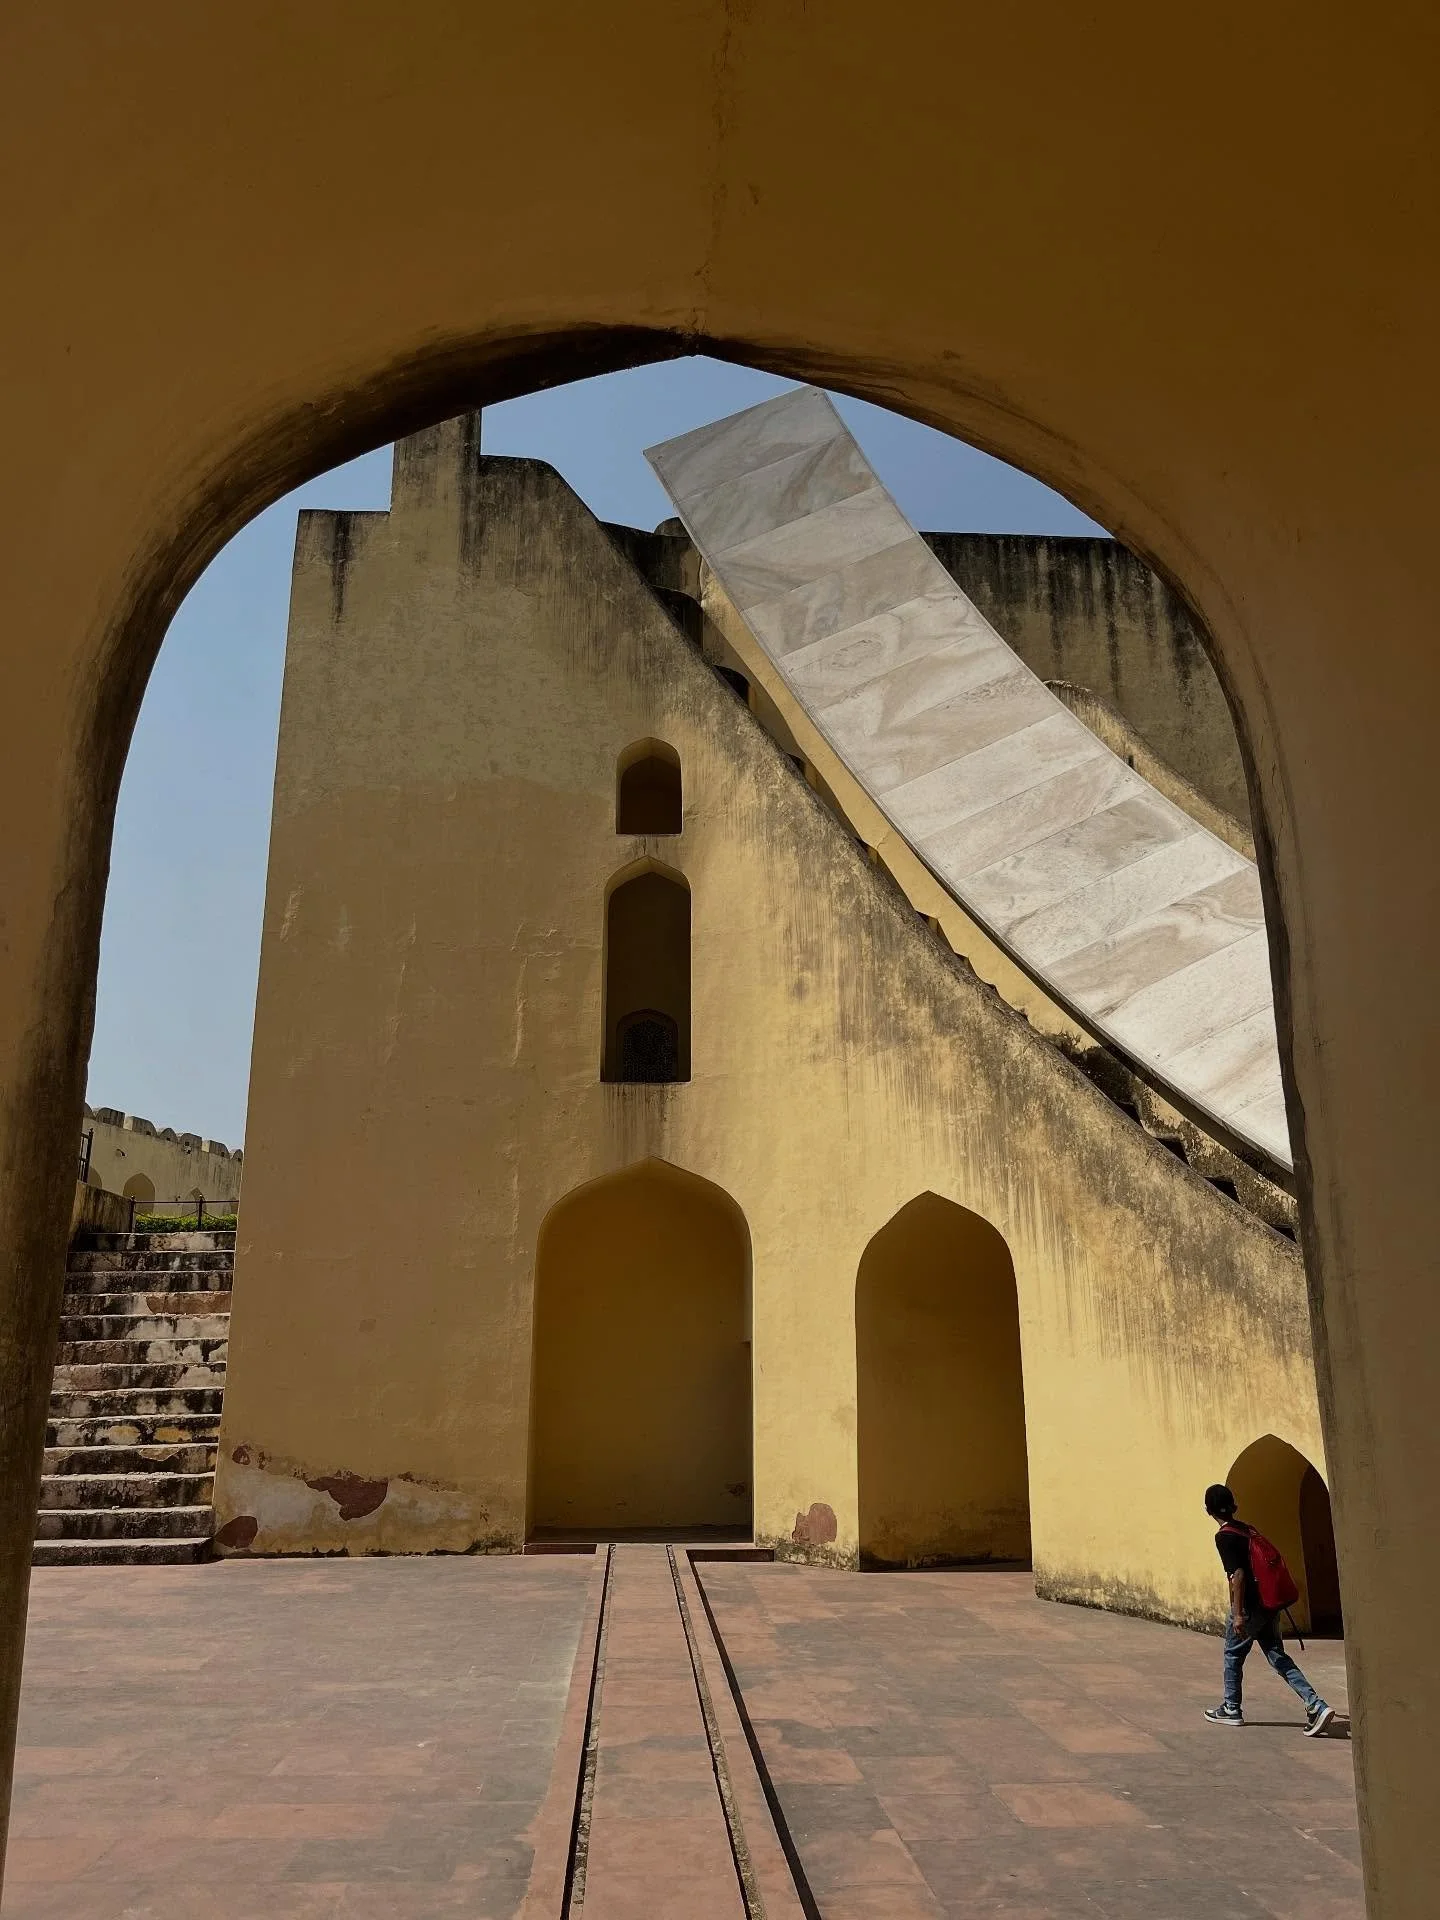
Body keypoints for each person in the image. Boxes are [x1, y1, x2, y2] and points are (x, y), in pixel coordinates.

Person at [1202, 1483, 1334, 1734]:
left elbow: (1237, 1576)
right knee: (1277, 1657)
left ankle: (1231, 1708)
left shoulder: (1225, 1537)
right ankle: (1315, 1704)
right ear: (1234, 1507)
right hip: (1268, 1605)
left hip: (1250, 1607)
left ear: (1207, 1510)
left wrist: (1238, 1614)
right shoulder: (1247, 1530)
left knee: (1232, 1654)